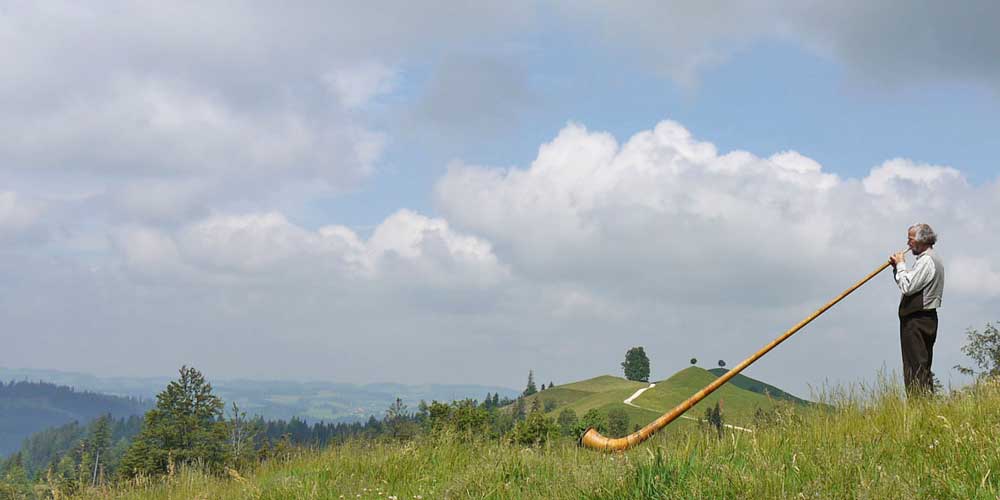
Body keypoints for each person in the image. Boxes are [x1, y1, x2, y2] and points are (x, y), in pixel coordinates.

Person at [889, 223, 944, 396]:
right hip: (923, 319)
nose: (908, 243)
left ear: (922, 240)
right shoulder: (928, 259)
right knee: (920, 365)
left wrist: (901, 264)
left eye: (910, 239)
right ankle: (924, 404)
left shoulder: (927, 260)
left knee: (916, 367)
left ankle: (919, 405)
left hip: (917, 320)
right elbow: (907, 282)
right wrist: (896, 269)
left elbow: (907, 286)